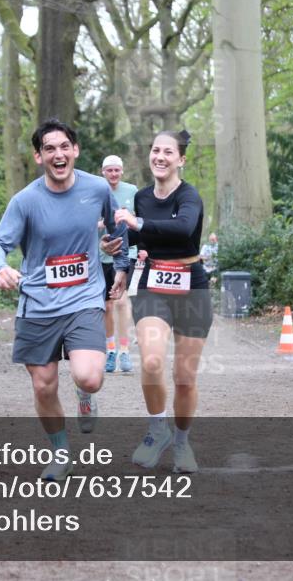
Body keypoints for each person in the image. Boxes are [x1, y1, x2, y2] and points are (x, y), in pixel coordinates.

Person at [0, 118, 129, 481]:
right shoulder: (26, 201)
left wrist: (119, 258)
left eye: (65, 146)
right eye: (49, 148)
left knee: (90, 377)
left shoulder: (97, 189)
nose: (58, 154)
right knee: (43, 385)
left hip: (84, 300)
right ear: (39, 156)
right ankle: (61, 452)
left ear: (75, 151)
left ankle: (84, 394)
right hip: (39, 304)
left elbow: (117, 228)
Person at [102, 129, 212, 474]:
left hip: (192, 286)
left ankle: (181, 443)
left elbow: (182, 228)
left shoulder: (189, 196)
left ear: (180, 159)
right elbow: (133, 236)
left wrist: (139, 222)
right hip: (152, 285)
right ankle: (156, 430)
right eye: (155, 150)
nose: (160, 157)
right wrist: (115, 247)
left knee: (184, 377)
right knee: (150, 363)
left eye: (168, 152)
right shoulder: (143, 197)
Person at [98, 155, 138, 374]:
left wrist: (143, 246)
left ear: (122, 171)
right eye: (109, 170)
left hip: (126, 252)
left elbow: (139, 220)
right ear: (103, 172)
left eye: (116, 170)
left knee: (121, 302)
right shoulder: (95, 190)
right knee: (107, 305)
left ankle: (124, 351)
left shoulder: (132, 190)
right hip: (101, 254)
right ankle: (110, 349)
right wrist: (106, 222)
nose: (113, 174)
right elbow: (89, 223)